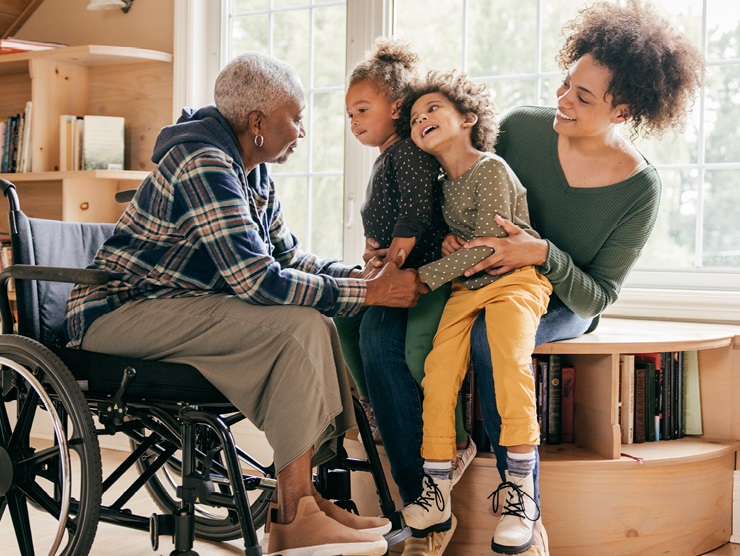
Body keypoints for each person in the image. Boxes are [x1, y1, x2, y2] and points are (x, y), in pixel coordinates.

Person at [361, 2, 705, 554]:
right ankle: (423, 505)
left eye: (584, 98)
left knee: (489, 341)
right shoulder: (521, 128)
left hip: (557, 296)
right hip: (477, 274)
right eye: (567, 84)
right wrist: (408, 238)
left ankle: (524, 507)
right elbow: (452, 178)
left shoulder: (640, 188)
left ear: (624, 110)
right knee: (379, 330)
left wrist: (540, 251)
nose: (564, 101)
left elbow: (598, 296)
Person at [65, 52, 429, 556]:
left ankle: (301, 508)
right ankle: (295, 509)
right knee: (297, 326)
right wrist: (370, 293)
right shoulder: (204, 161)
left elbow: (288, 258)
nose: (301, 131)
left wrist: (363, 276)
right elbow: (256, 281)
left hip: (175, 307)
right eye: (295, 118)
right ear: (257, 123)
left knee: (314, 324)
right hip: (117, 315)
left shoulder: (251, 171)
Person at [396, 70, 551, 553]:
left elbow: (488, 249)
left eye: (433, 110)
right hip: (467, 288)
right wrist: (449, 247)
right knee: (438, 371)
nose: (421, 119)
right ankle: (436, 486)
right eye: (416, 117)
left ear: (468, 118)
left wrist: (425, 275)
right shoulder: (441, 185)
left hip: (514, 282)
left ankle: (521, 490)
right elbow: (465, 247)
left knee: (507, 359)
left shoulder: (492, 168)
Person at [336, 37, 477, 556]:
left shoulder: (409, 155)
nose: (353, 123)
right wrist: (373, 255)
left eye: (362, 110)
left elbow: (417, 210)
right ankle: (384, 422)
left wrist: (391, 258)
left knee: (378, 335)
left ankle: (423, 506)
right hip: (398, 268)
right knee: (348, 321)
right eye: (349, 115)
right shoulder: (388, 157)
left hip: (420, 273)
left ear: (396, 108)